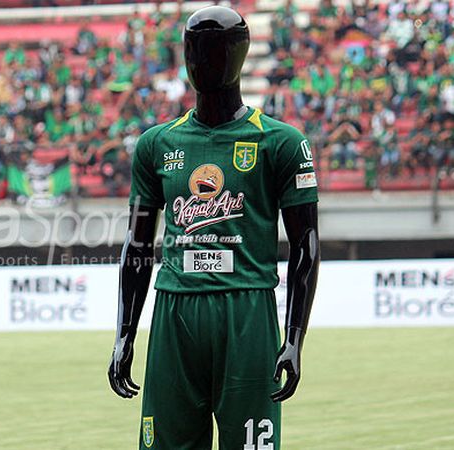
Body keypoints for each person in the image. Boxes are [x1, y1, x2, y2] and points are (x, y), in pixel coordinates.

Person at [108, 6, 320, 450]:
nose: (201, 62)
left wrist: (295, 336)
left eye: (215, 50)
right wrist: (125, 333)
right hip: (174, 311)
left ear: (239, 56)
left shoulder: (281, 142)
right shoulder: (156, 144)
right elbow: (138, 243)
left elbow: (306, 243)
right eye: (193, 51)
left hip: (248, 313)